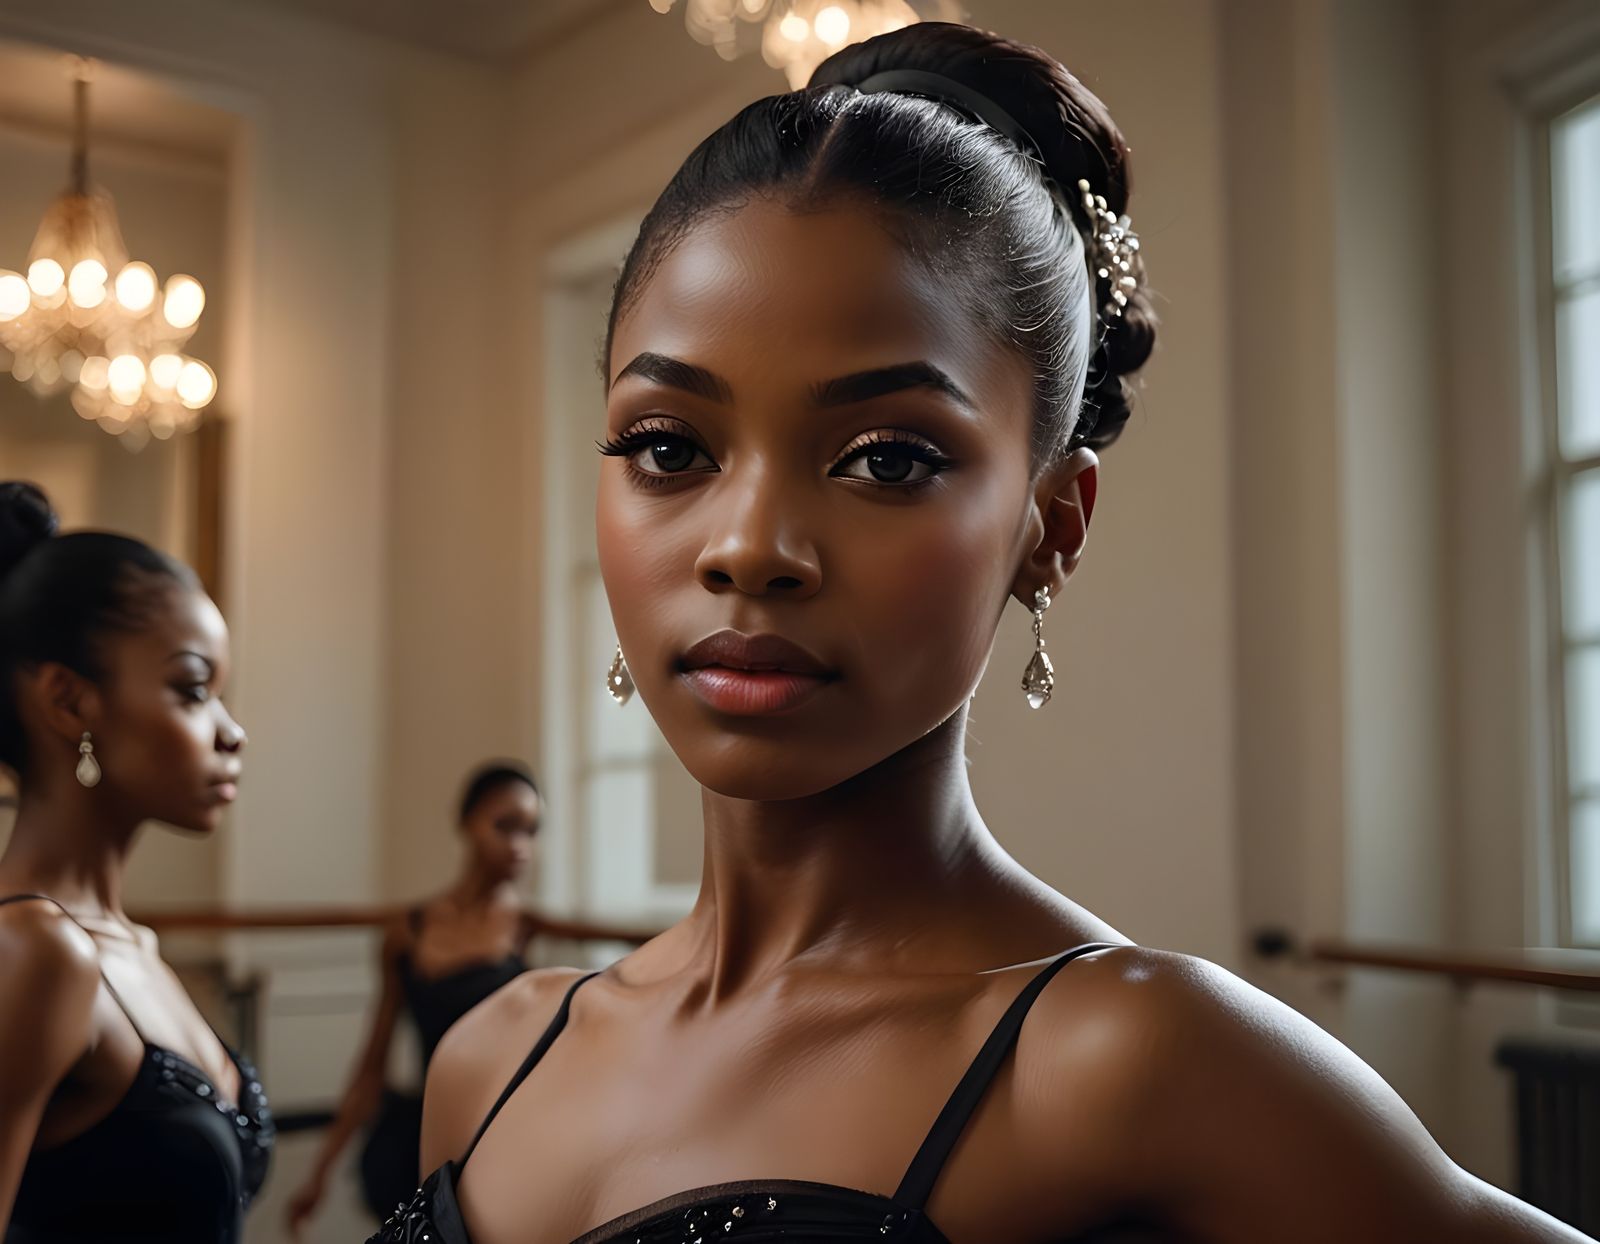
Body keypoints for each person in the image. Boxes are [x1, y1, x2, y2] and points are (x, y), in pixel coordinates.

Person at [375, 22, 1593, 1244]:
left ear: (1049, 523)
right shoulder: (494, 1054)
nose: (747, 546)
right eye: (667, 447)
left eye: (887, 458)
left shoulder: (1133, 1063)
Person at [0, 481, 271, 1242]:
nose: (232, 731)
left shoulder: (131, 946)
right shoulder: (35, 953)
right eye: (192, 690)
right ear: (68, 701)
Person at [289, 761, 654, 1237]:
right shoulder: (408, 931)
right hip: (417, 1134)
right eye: (504, 826)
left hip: (501, 1138)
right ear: (466, 823)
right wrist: (319, 1173)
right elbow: (372, 1062)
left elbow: (638, 942)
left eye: (532, 830)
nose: (520, 846)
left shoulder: (526, 926)